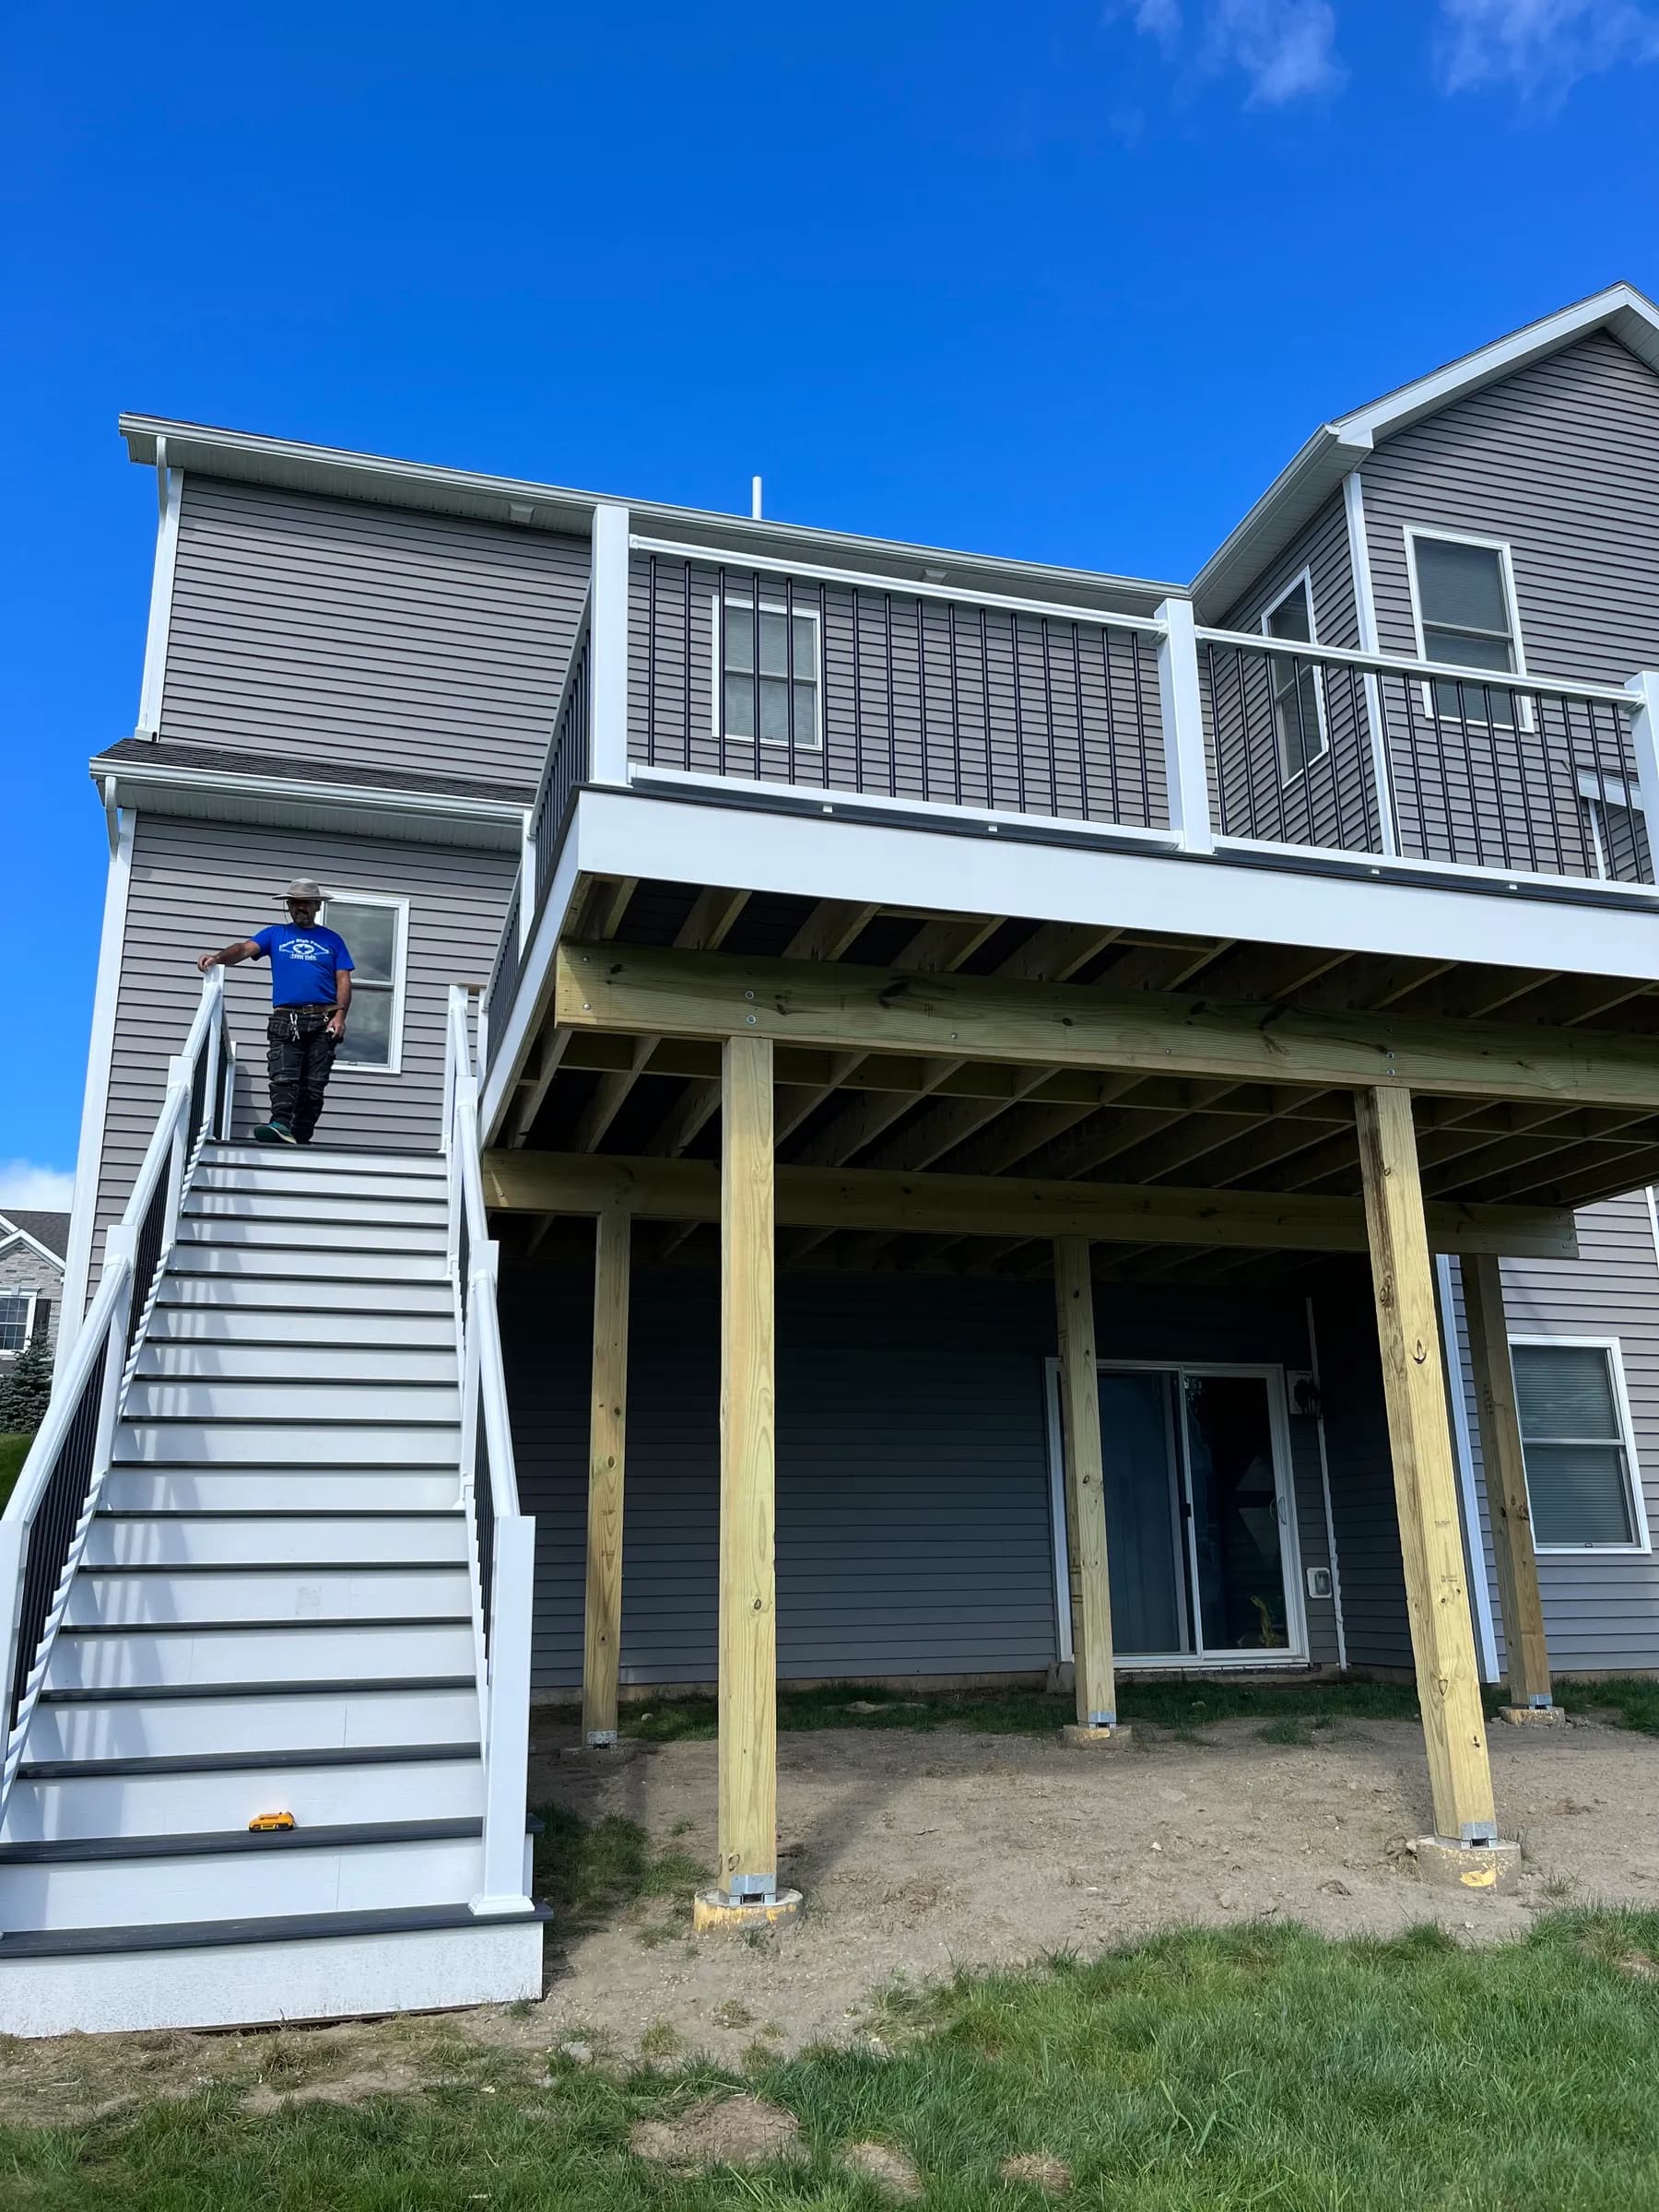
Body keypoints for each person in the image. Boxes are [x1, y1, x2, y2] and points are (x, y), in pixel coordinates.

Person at [197, 878, 355, 1146]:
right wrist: (217, 958)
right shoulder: (275, 935)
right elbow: (244, 949)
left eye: (305, 903)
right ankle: (280, 1124)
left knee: (313, 1087)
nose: (299, 908)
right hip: (286, 1018)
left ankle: (301, 1138)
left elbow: (343, 980)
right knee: (283, 1077)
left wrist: (340, 1017)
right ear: (289, 907)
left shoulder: (332, 940)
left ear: (317, 906)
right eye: (294, 903)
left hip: (323, 1018)